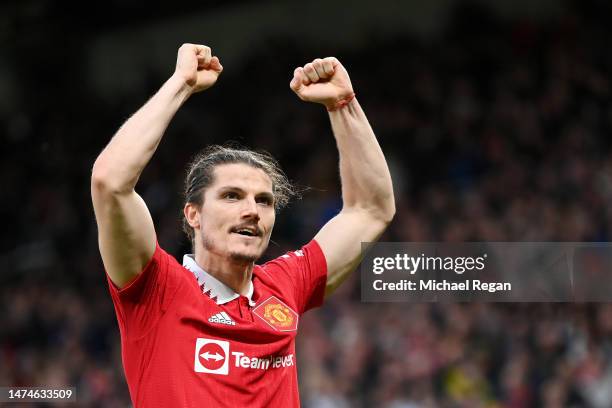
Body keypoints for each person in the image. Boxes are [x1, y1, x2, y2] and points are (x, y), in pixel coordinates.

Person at [91, 43, 395, 407]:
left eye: (264, 201)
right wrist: (180, 84)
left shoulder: (285, 286)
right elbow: (110, 183)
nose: (252, 210)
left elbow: (371, 209)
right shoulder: (156, 289)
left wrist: (344, 105)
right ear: (193, 214)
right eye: (232, 196)